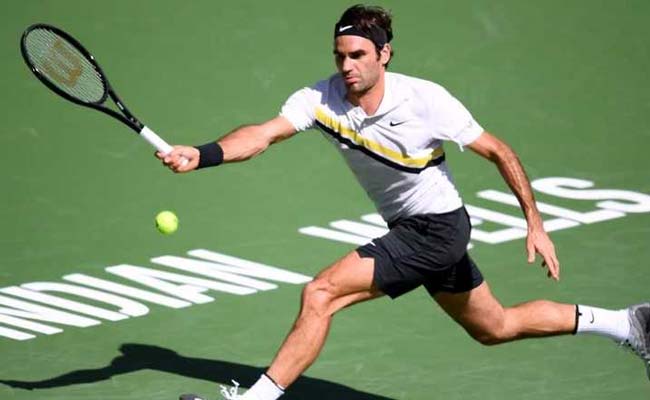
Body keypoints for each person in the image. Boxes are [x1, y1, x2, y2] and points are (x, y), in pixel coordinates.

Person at [158, 5, 650, 399]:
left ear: (384, 54)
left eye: (358, 55)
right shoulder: (321, 99)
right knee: (495, 326)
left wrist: (535, 223)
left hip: (436, 228)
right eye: (340, 56)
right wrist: (202, 155)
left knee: (321, 293)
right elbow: (262, 135)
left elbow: (500, 151)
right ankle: (627, 323)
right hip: (418, 231)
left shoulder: (425, 100)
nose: (346, 67)